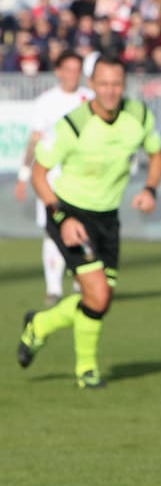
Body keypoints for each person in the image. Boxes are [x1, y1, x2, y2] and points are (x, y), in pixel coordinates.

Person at [16, 55, 161, 389]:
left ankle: (39, 325)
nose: (110, 91)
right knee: (97, 294)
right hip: (70, 215)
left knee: (100, 299)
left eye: (116, 84)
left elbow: (157, 154)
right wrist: (62, 218)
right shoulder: (72, 125)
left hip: (107, 220)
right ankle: (86, 370)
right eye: (104, 84)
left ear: (124, 85)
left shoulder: (139, 116)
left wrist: (150, 189)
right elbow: (40, 174)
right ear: (92, 85)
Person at [12, 51, 94, 306]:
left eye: (76, 70)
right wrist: (24, 175)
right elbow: (35, 140)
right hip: (51, 178)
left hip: (83, 177)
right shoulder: (46, 102)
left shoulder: (90, 99)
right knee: (52, 231)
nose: (72, 75)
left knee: (83, 229)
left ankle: (81, 283)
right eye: (68, 69)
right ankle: (54, 288)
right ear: (58, 71)